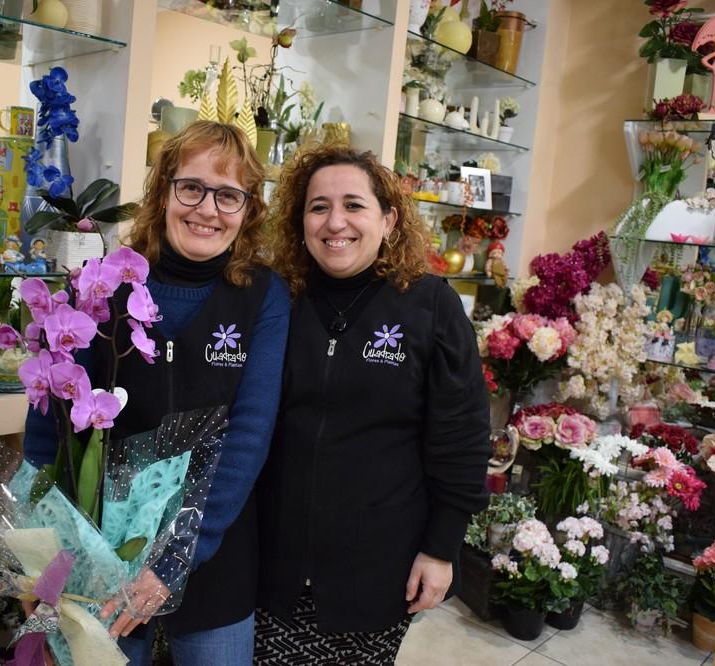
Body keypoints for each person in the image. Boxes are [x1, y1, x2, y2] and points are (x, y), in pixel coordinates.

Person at [255, 145, 490, 664]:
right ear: (300, 221)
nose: (335, 221)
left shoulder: (431, 305)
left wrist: (442, 548)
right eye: (318, 206)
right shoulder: (279, 299)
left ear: (388, 219)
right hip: (275, 563)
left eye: (354, 205)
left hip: (379, 567)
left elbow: (463, 438)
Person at [74, 120, 289, 664]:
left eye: (228, 195)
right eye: (191, 187)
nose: (207, 210)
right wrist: (56, 541)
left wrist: (174, 559)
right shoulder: (105, 287)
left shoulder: (264, 296)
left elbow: (248, 435)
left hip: (216, 554)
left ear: (249, 208)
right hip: (106, 550)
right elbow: (53, 418)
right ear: (163, 190)